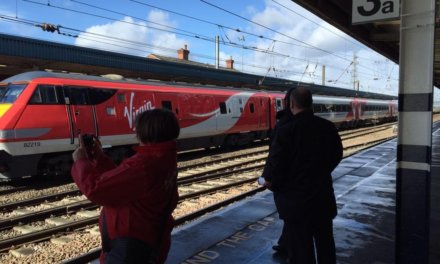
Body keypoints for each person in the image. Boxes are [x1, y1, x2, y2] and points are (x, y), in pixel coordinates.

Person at [71, 108, 180, 264]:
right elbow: (124, 183)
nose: (135, 130)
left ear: (147, 131)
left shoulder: (144, 164)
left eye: (138, 127)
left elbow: (95, 189)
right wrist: (100, 159)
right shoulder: (163, 157)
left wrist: (80, 161)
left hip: (131, 249)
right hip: (150, 239)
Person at [264, 87, 342, 264]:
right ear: (311, 104)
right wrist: (321, 172)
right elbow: (337, 155)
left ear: (291, 104)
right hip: (322, 198)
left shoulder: (285, 131)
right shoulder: (327, 127)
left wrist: (271, 183)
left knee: (302, 251)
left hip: (296, 205)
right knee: (326, 246)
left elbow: (275, 166)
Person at [261, 87, 294, 255]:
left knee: (292, 217)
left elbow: (275, 155)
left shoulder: (284, 126)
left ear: (289, 103)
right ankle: (286, 243)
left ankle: (289, 248)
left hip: (287, 184)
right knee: (321, 236)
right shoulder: (323, 126)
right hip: (317, 189)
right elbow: (335, 155)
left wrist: (267, 177)